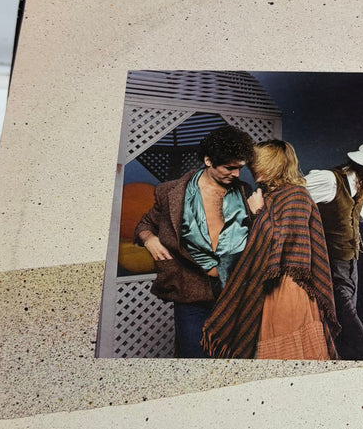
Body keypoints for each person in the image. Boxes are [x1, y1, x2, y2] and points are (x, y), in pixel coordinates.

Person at [202, 140, 339, 360]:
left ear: (274, 165)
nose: (253, 168)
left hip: (288, 286)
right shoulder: (271, 196)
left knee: (289, 354)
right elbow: (255, 243)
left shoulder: (297, 196)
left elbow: (278, 242)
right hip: (267, 283)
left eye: (260, 163)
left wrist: (258, 212)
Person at [134, 124, 256, 357]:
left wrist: (258, 213)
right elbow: (145, 224)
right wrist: (149, 239)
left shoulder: (244, 191)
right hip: (191, 293)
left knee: (233, 360)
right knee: (192, 359)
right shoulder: (170, 193)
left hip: (235, 292)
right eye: (229, 168)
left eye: (240, 168)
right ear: (208, 161)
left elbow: (258, 238)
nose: (236, 174)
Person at [304, 138, 363, 361]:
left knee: (340, 328)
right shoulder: (330, 180)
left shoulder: (359, 187)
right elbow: (291, 196)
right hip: (328, 266)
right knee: (348, 329)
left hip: (349, 267)